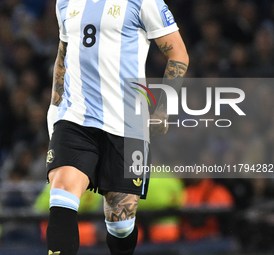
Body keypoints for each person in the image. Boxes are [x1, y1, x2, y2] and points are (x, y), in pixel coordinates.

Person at [46, 0, 189, 254]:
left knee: (120, 224)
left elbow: (178, 53)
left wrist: (164, 109)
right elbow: (63, 55)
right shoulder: (64, 2)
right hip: (76, 118)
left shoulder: (144, 2)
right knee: (62, 193)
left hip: (127, 125)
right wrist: (55, 109)